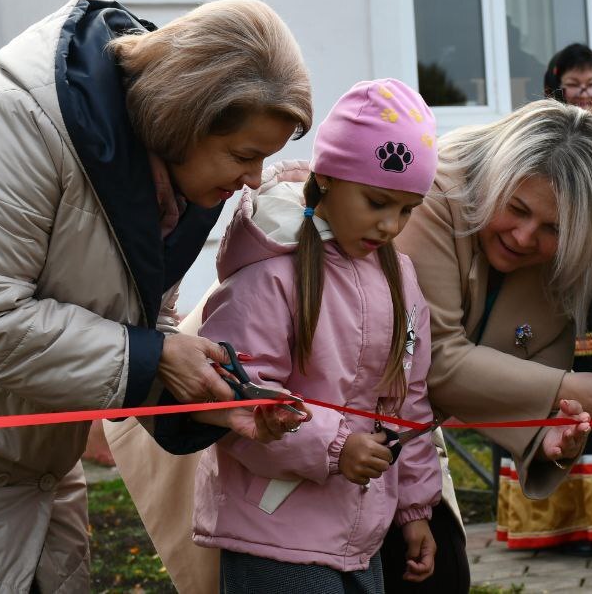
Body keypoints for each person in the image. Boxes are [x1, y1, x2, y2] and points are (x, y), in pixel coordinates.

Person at [0, 0, 313, 591]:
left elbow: (126, 332)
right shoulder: (9, 122)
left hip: (23, 458)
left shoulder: (168, 188)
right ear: (185, 119)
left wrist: (206, 397)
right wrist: (157, 357)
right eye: (243, 155)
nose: (254, 179)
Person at [183, 80, 536, 592]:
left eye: (407, 209)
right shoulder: (268, 275)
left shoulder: (400, 277)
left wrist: (415, 509)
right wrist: (335, 447)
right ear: (326, 178)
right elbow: (237, 398)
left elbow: (406, 403)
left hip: (359, 538)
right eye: (377, 202)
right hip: (273, 537)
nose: (392, 225)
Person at [380, 99, 592, 593]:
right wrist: (567, 388)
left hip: (406, 451)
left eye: (553, 228)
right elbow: (436, 361)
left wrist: (552, 437)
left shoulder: (567, 262)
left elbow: (530, 390)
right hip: (310, 434)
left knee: (442, 576)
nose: (524, 236)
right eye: (516, 208)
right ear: (494, 176)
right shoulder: (433, 191)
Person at [485, 44, 592, 555]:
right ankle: (546, 524)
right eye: (575, 85)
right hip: (539, 289)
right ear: (555, 86)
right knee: (541, 390)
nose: (585, 94)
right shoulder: (532, 145)